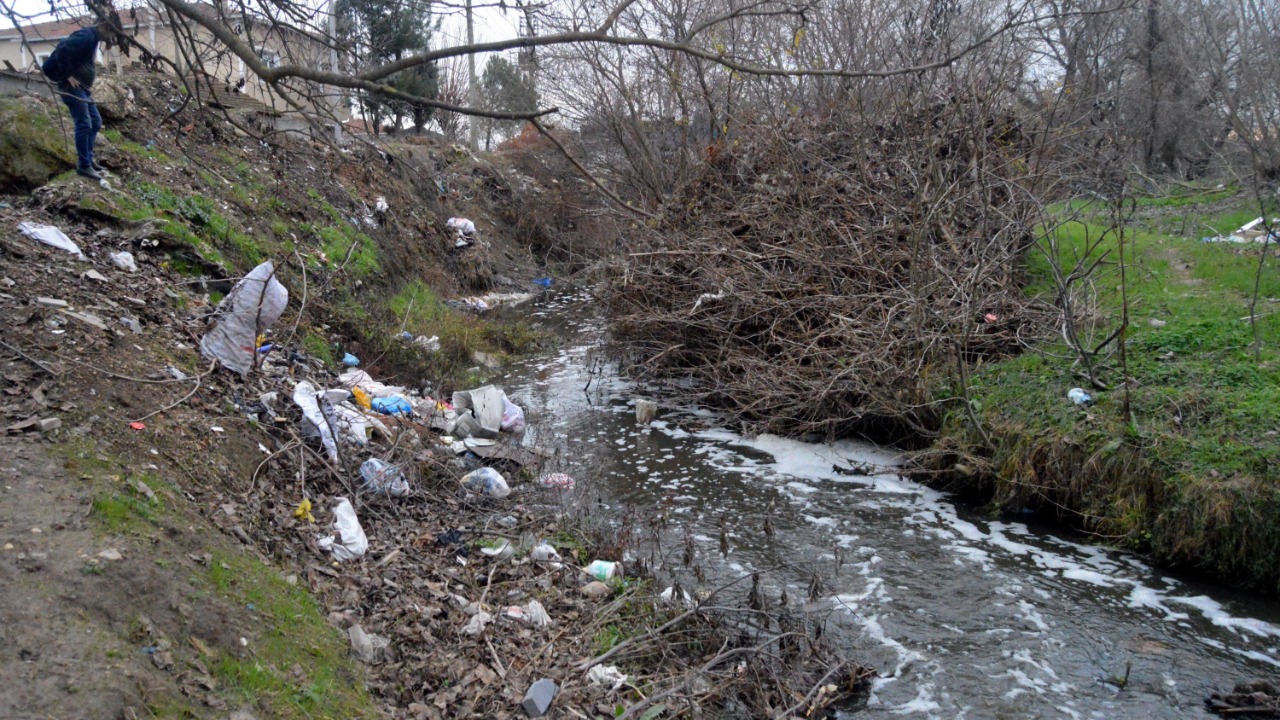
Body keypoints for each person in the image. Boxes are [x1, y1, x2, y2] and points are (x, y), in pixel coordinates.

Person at [41, 23, 107, 180]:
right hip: (71, 88)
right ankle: (84, 165)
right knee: (84, 124)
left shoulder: (93, 38)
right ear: (104, 27)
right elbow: (63, 48)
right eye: (111, 33)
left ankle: (89, 159)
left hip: (83, 88)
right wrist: (68, 74)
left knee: (96, 121)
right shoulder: (88, 36)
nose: (111, 38)